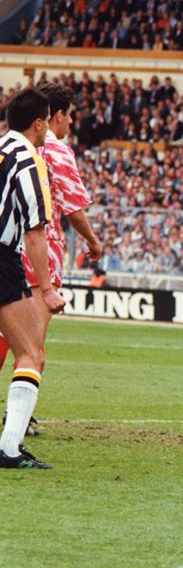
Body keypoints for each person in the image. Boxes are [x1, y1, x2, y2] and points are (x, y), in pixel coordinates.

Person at [0, 87, 66, 468]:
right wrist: (47, 288)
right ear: (39, 123)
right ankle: (9, 448)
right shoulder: (28, 160)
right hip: (1, 258)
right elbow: (36, 231)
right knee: (30, 353)